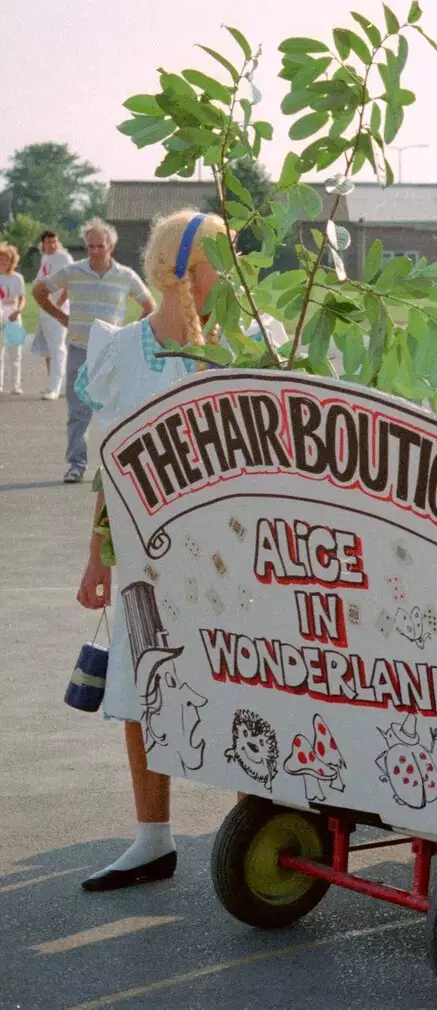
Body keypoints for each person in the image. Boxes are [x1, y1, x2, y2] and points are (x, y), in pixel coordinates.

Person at [74, 211, 230, 890]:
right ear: (186, 268)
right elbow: (111, 467)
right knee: (139, 687)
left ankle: (262, 826)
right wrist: (96, 557)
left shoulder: (237, 353)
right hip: (144, 557)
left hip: (228, 560)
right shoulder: (121, 351)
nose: (229, 276)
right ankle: (153, 838)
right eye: (219, 261)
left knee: (242, 687)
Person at [34, 219, 156, 483]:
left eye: (101, 246)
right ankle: (76, 465)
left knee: (113, 410)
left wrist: (129, 330)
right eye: (91, 246)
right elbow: (39, 290)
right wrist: (60, 317)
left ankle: (115, 466)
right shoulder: (73, 271)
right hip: (79, 349)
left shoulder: (125, 275)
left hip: (111, 352)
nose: (96, 251)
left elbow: (150, 305)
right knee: (78, 412)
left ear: (111, 246)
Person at [31, 230, 74, 399]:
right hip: (46, 309)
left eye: (54, 242)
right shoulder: (45, 259)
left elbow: (69, 284)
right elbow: (38, 281)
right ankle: (55, 385)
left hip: (58, 310)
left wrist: (58, 306)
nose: (52, 245)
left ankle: (55, 388)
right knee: (48, 350)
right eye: (48, 242)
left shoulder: (64, 258)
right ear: (43, 244)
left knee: (58, 349)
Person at [0, 245, 26, 394]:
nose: (4, 262)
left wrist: (18, 310)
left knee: (15, 354)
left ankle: (16, 386)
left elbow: (22, 299)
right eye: (1, 259)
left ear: (12, 262)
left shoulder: (17, 278)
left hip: (13, 315)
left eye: (7, 260)